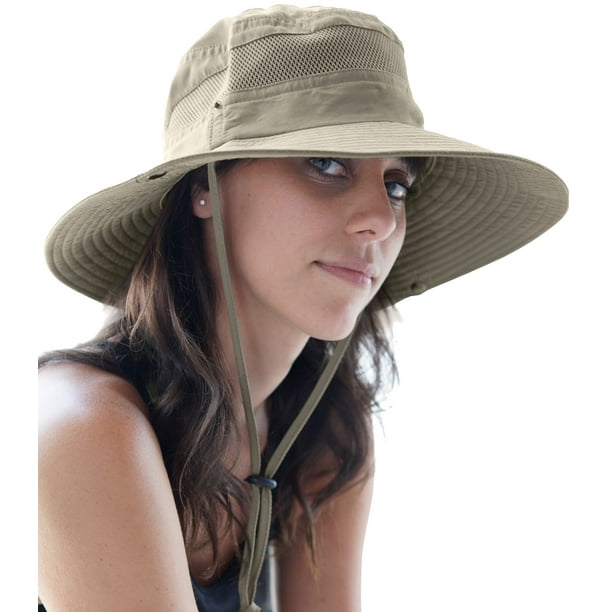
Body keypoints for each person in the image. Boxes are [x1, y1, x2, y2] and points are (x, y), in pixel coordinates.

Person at [37, 5, 568, 612]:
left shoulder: (325, 428)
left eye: (397, 184)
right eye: (326, 163)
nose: (382, 218)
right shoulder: (78, 427)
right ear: (205, 186)